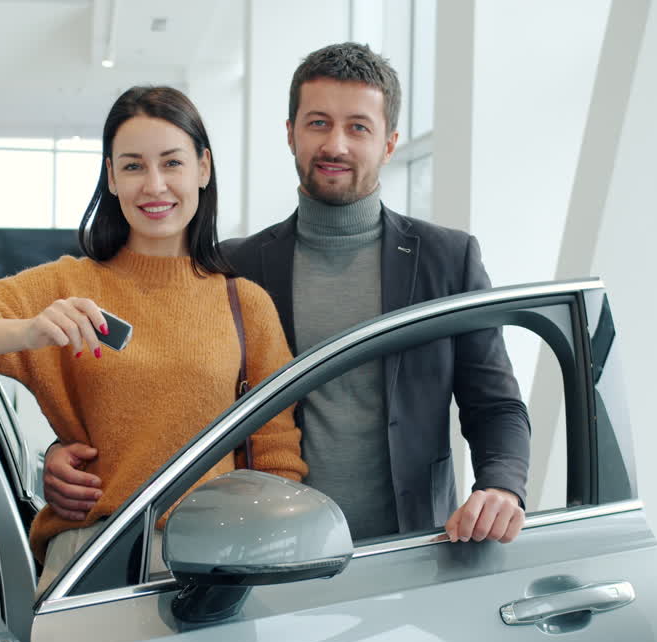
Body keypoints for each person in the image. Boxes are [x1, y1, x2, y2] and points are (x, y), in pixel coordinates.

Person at [43, 43, 530, 546]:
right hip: (265, 555)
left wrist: (501, 486)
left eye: (358, 127)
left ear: (389, 144)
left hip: (413, 547)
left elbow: (494, 404)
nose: (335, 144)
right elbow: (157, 382)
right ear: (291, 134)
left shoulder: (446, 259)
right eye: (318, 123)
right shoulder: (234, 267)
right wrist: (67, 449)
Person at [0, 86, 307, 593]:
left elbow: (276, 455)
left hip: (215, 566)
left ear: (203, 168)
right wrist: (28, 330)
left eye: (171, 163)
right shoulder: (65, 287)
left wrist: (272, 560)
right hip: (91, 561)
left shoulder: (245, 304)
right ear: (111, 177)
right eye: (133, 167)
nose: (154, 185)